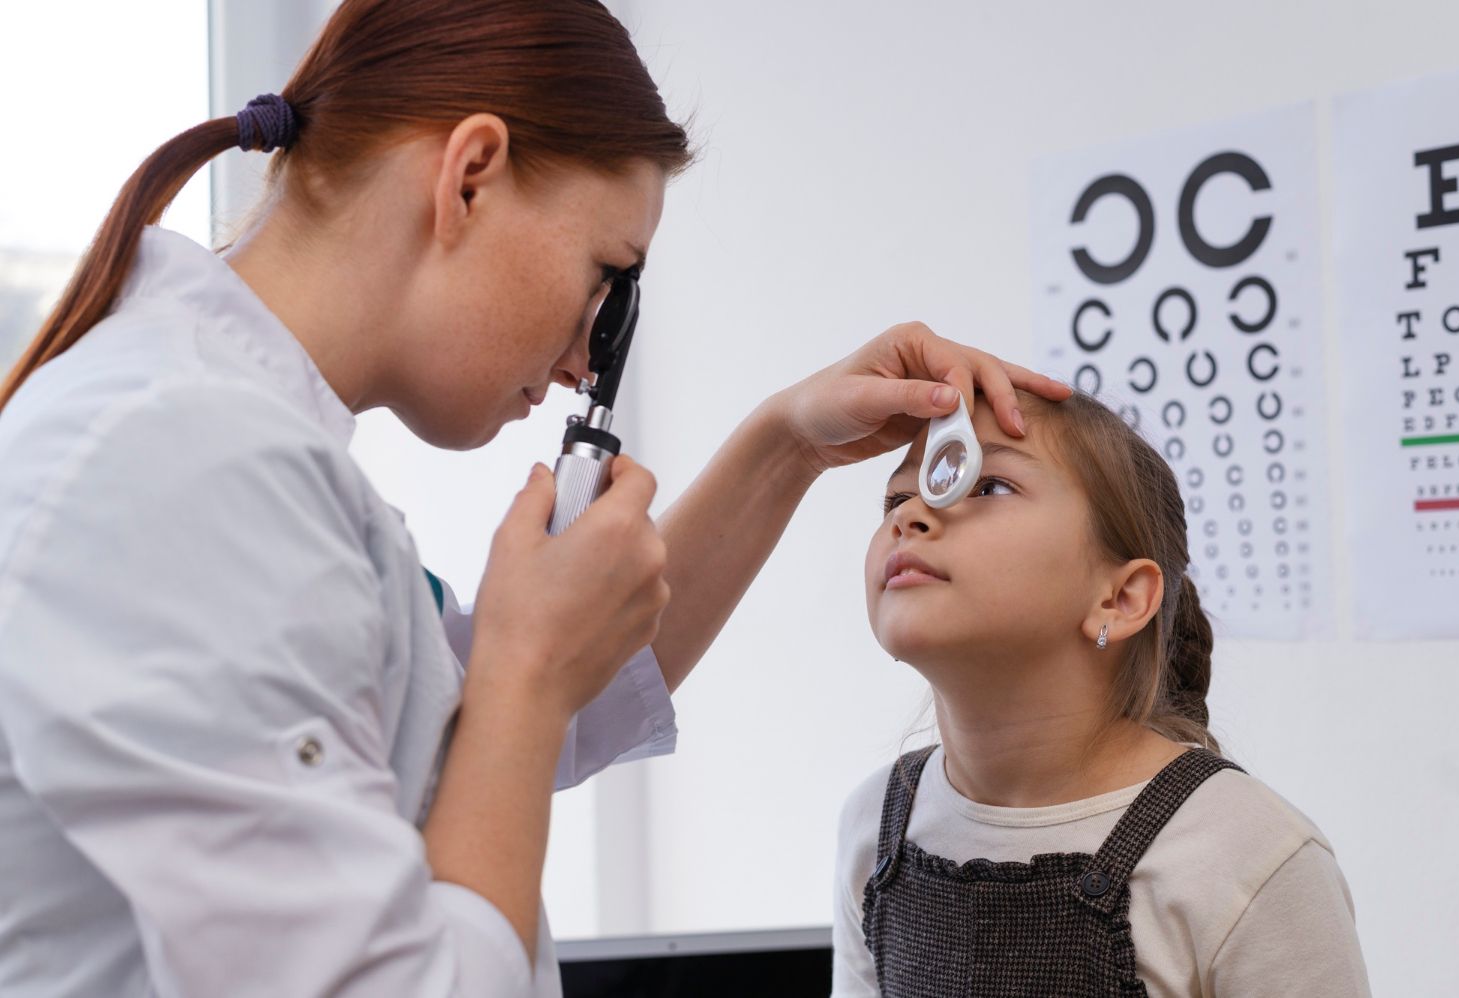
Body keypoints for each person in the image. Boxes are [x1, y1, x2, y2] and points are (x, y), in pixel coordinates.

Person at [0, 1, 1070, 995]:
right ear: (469, 175)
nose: (586, 360)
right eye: (609, 277)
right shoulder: (179, 462)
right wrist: (523, 667)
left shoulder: (251, 458)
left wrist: (785, 443)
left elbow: (499, 744)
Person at [832, 389, 1371, 997]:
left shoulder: (1251, 855)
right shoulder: (875, 826)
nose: (911, 515)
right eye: (898, 497)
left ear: (1121, 598)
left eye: (990, 487)